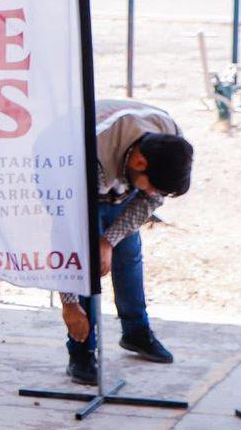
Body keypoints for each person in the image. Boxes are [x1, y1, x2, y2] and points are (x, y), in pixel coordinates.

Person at [59, 98, 194, 386]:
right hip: (71, 180)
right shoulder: (86, 153)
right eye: (154, 187)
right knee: (88, 264)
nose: (155, 195)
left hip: (113, 175)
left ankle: (136, 333)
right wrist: (69, 304)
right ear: (139, 162)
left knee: (128, 253)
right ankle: (81, 350)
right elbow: (65, 232)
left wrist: (109, 240)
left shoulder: (169, 136)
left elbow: (149, 201)